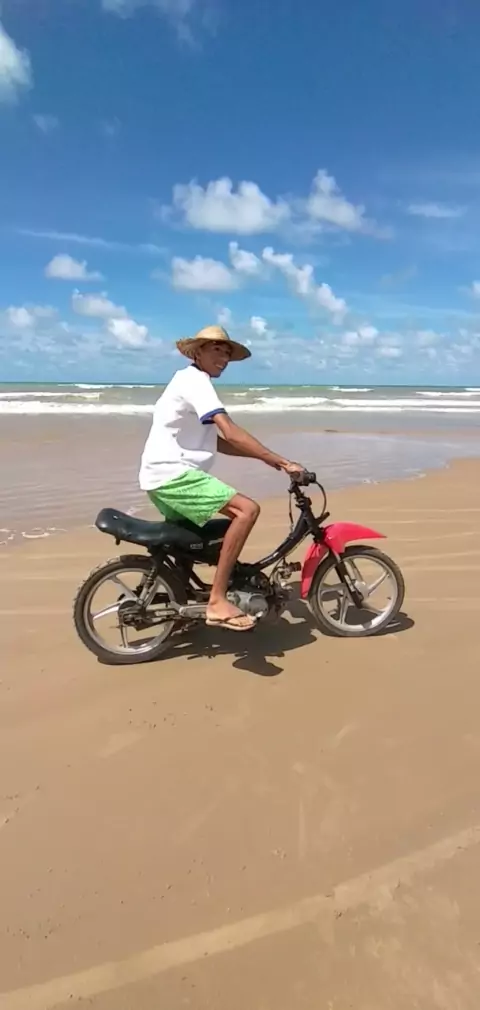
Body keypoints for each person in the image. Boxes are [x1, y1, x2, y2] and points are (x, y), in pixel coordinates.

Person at [139, 325, 303, 632]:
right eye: (217, 350)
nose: (224, 358)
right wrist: (279, 460)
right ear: (197, 352)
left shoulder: (187, 380)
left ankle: (184, 600)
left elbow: (218, 442)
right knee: (247, 510)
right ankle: (216, 601)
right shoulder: (196, 381)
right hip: (173, 475)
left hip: (160, 475)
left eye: (227, 353)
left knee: (190, 538)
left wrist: (264, 459)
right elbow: (229, 430)